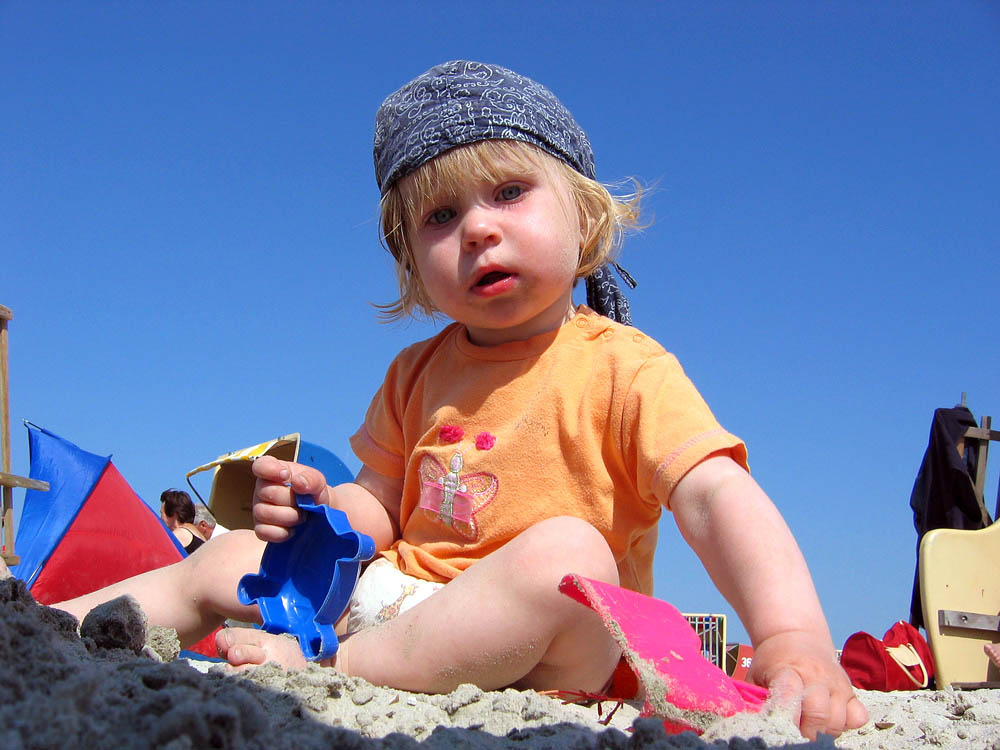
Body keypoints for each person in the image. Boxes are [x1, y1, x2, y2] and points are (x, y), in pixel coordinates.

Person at [54, 61, 866, 740]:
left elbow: (716, 496)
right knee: (234, 552)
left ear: (583, 217)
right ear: (413, 264)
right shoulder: (416, 371)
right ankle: (52, 622)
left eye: (509, 193)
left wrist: (790, 635)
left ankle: (334, 672)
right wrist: (323, 509)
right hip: (398, 606)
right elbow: (379, 512)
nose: (477, 229)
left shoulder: (625, 367)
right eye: (442, 216)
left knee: (572, 553)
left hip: (548, 641)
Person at [159, 489, 206, 554]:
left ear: (173, 514)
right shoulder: (199, 535)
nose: (160, 518)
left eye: (162, 513)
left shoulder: (179, 535)